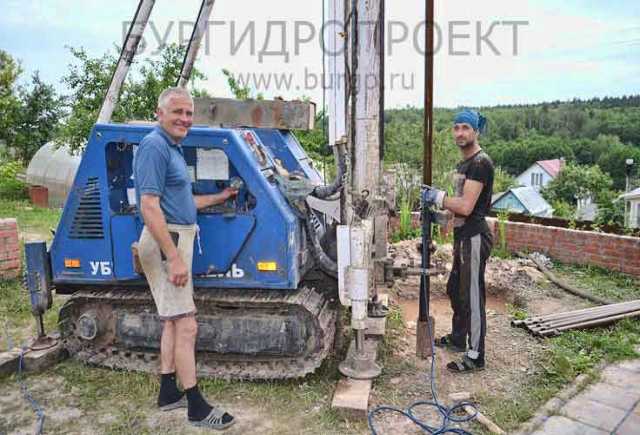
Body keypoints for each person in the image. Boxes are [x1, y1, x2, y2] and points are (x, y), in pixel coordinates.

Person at [133, 87, 237, 429]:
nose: (185, 119)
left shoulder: (173, 148)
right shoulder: (154, 146)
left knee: (172, 321)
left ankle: (167, 392)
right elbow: (148, 206)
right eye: (177, 112)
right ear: (159, 113)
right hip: (169, 242)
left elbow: (184, 202)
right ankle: (195, 406)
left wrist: (222, 196)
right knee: (186, 324)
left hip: (176, 237)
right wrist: (174, 257)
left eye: (189, 113)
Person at [422, 109, 494, 373]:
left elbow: (465, 206)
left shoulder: (479, 163)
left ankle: (475, 356)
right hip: (463, 237)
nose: (460, 132)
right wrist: (441, 215)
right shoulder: (464, 164)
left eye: (465, 127)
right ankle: (457, 338)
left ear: (475, 131)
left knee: (473, 297)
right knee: (456, 290)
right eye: (456, 127)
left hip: (475, 237)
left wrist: (438, 197)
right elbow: (457, 209)